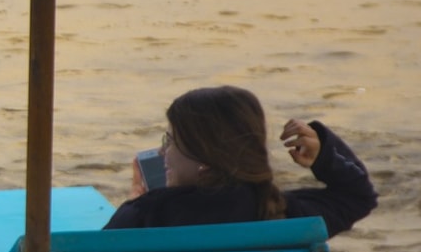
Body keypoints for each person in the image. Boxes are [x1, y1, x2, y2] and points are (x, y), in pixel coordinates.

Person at [104, 84, 376, 235]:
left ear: (205, 159)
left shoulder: (146, 216)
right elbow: (358, 197)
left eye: (170, 141)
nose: (163, 152)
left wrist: (135, 203)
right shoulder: (281, 215)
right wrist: (324, 156)